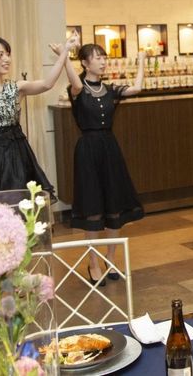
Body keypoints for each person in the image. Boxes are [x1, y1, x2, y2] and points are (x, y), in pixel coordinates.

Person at [57, 43, 146, 286]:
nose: (103, 62)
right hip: (88, 150)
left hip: (109, 149)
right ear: (85, 63)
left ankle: (111, 257)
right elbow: (76, 83)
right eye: (97, 58)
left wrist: (141, 60)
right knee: (93, 207)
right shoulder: (77, 88)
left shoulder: (109, 89)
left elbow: (137, 88)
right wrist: (65, 56)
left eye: (104, 57)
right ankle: (93, 262)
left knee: (114, 206)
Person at [0, 32, 80, 198]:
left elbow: (47, 84)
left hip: (14, 157)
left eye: (8, 54)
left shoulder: (16, 88)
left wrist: (65, 51)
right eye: (0, 55)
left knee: (16, 202)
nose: (7, 59)